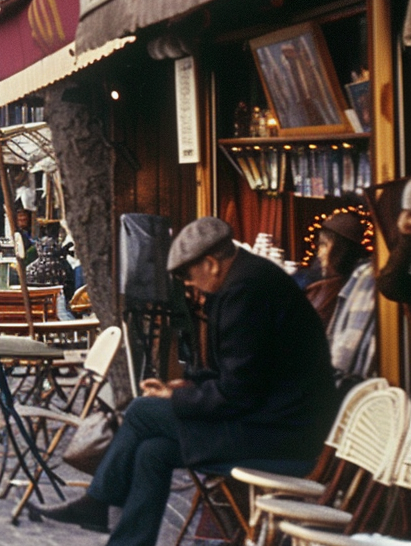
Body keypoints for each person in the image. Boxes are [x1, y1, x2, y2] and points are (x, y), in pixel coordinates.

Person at [30, 217, 335, 546]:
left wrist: (174, 400)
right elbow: (237, 371)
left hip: (280, 434)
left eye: (189, 276)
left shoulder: (246, 292)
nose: (190, 286)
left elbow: (237, 391)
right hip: (268, 420)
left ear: (210, 264)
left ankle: (99, 501)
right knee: (153, 452)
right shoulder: (243, 279)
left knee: (141, 411)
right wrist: (182, 387)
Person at [315, 213, 378, 382]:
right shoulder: (346, 278)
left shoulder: (365, 276)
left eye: (324, 245)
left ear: (339, 249)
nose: (319, 253)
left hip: (350, 383)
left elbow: (347, 349)